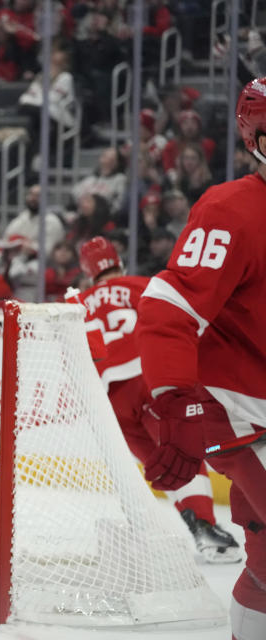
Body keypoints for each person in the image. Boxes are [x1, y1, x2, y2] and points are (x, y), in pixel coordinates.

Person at [135, 77, 266, 640]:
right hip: (235, 407)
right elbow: (168, 308)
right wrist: (176, 400)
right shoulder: (230, 209)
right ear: (254, 139)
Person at [73, 237, 240, 562]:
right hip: (146, 379)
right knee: (179, 455)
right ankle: (206, 529)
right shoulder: (142, 285)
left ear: (87, 272)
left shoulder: (76, 304)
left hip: (109, 404)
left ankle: (188, 530)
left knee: (161, 466)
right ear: (119, 262)